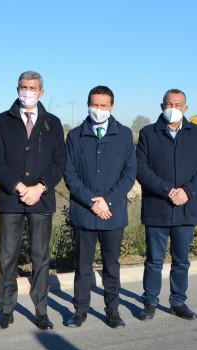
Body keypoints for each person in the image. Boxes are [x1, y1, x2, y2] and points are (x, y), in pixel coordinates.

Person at [0, 71, 66, 330]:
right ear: (17, 88)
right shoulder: (2, 121)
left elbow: (59, 162)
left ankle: (41, 310)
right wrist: (20, 187)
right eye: (23, 86)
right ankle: (6, 310)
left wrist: (40, 187)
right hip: (12, 199)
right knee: (8, 256)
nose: (27, 91)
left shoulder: (52, 123)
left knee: (40, 257)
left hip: (41, 201)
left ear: (41, 92)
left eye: (32, 87)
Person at [136, 89, 197, 321]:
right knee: (154, 260)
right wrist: (167, 190)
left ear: (185, 108)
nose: (173, 108)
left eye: (178, 104)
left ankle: (178, 302)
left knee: (181, 260)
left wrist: (187, 191)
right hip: (157, 208)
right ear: (162, 106)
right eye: (169, 104)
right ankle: (150, 301)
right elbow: (141, 168)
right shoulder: (148, 133)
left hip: (185, 209)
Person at [63, 86, 136, 328]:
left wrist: (108, 200)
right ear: (88, 104)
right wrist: (92, 201)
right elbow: (70, 174)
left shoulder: (124, 135)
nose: (98, 110)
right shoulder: (75, 136)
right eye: (94, 105)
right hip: (84, 213)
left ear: (111, 107)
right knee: (83, 265)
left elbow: (129, 173)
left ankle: (112, 310)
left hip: (112, 214)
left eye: (103, 106)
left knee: (111, 265)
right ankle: (80, 310)